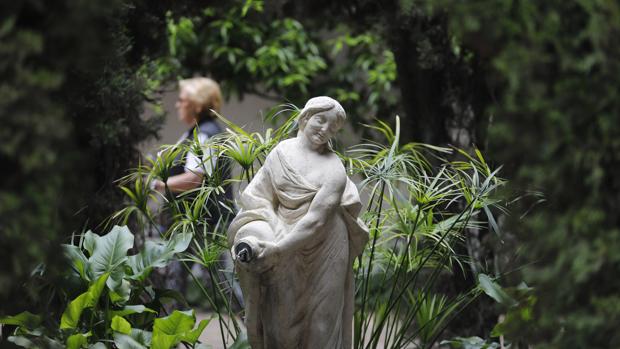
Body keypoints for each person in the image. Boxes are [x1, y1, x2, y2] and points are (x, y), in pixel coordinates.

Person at [228, 96, 369, 349]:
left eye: (333, 127)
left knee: (321, 326)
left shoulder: (334, 170)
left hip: (326, 247)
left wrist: (279, 249)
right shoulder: (281, 153)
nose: (325, 129)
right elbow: (259, 198)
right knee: (280, 323)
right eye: (320, 120)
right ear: (305, 117)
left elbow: (316, 222)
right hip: (282, 237)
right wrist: (274, 227)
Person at [152, 77, 225, 195]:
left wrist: (157, 185)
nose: (177, 105)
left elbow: (193, 179)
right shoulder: (195, 132)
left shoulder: (204, 134)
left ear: (198, 105)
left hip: (206, 213)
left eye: (182, 100)